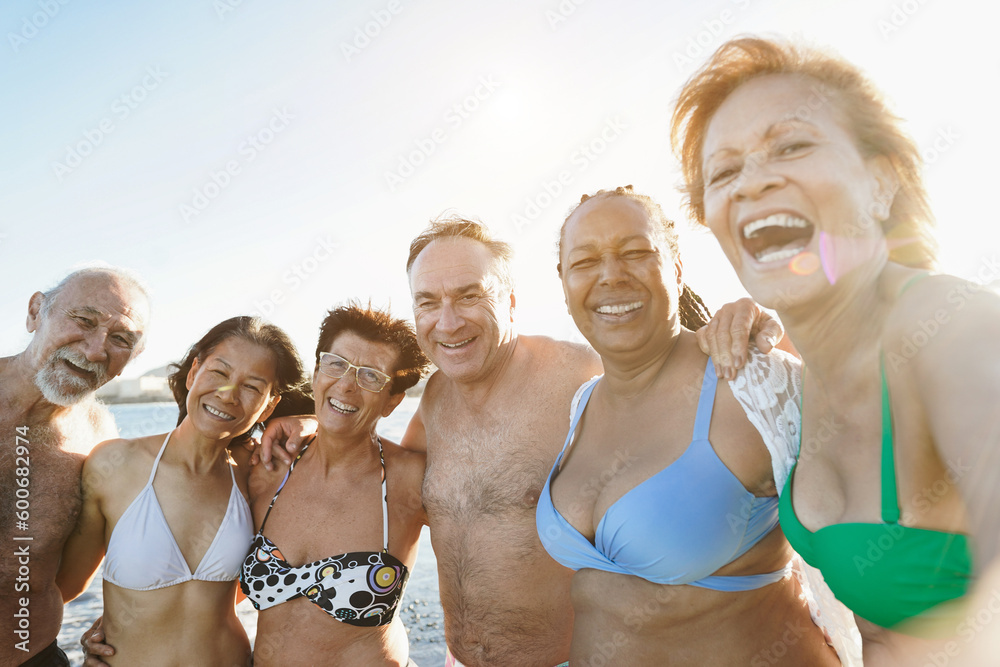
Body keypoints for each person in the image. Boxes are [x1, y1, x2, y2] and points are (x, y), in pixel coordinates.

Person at [246, 218, 782, 667]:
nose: (448, 321)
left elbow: (672, 365)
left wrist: (733, 322)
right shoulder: (435, 398)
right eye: (428, 302)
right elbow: (382, 471)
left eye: (469, 296)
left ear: (511, 301)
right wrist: (313, 425)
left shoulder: (582, 373)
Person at [671, 36, 1000, 664]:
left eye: (792, 145)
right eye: (724, 172)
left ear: (881, 183)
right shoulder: (797, 365)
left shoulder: (951, 331)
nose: (753, 182)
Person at [535, 185, 844, 665]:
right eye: (584, 262)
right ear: (563, 281)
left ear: (676, 269)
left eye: (636, 253)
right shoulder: (583, 404)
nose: (610, 276)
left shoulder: (751, 382)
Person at [57, 316, 307, 665]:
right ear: (193, 373)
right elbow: (63, 587)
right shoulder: (114, 464)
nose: (229, 395)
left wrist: (307, 421)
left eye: (252, 386)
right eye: (219, 373)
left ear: (268, 405)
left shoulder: (257, 478)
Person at [241, 303, 430, 666]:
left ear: (392, 400)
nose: (345, 384)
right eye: (336, 363)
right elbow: (209, 575)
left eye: (371, 376)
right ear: (316, 373)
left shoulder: (411, 480)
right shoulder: (269, 468)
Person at [0, 266, 149, 666]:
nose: (96, 350)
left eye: (120, 339)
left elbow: (75, 576)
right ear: (35, 313)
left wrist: (115, 627)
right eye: (83, 321)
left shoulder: (100, 441)